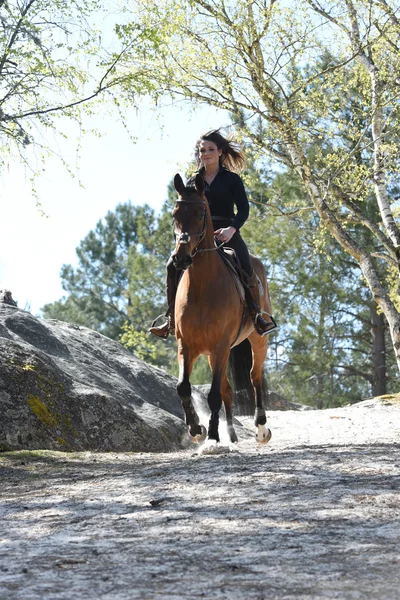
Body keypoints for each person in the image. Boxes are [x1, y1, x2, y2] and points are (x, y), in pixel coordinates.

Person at [150, 128, 278, 339]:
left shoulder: (232, 180)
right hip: (197, 236)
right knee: (171, 265)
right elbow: (184, 214)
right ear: (199, 154)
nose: (206, 153)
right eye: (202, 150)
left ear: (220, 152)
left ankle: (257, 315)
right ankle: (171, 319)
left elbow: (244, 210)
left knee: (247, 266)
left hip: (227, 231)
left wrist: (231, 229)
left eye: (210, 149)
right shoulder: (191, 182)